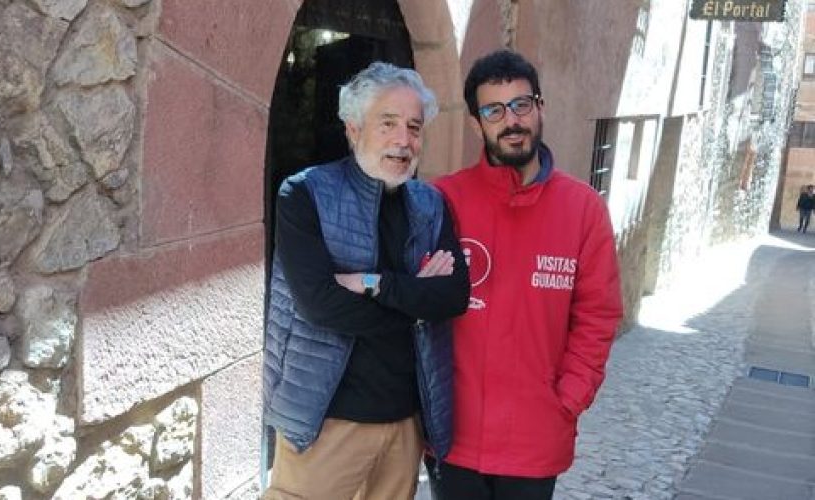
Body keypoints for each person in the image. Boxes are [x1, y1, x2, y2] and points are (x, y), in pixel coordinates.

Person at [262, 61, 470, 500]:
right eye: (388, 123)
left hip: (404, 424)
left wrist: (376, 283)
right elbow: (321, 305)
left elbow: (453, 296)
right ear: (353, 129)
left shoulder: (431, 204)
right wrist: (417, 301)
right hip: (326, 424)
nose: (403, 140)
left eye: (414, 127)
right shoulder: (304, 195)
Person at [428, 50, 624, 500]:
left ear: (540, 108)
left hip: (535, 439)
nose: (511, 120)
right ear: (477, 124)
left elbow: (598, 316)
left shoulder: (583, 210)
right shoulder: (441, 200)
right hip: (453, 438)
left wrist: (566, 401)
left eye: (521, 105)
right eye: (494, 110)